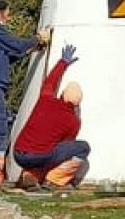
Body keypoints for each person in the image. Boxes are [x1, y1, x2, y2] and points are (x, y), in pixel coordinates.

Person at [0, 0, 47, 187]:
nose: (9, 15)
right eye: (7, 11)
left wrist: (33, 48)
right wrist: (38, 39)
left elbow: (11, 55)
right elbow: (16, 46)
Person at [13, 43, 90, 191]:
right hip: (40, 156)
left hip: (18, 153)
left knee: (43, 150)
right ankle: (54, 180)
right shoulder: (73, 122)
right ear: (77, 104)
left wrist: (63, 62)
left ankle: (30, 175)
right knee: (82, 147)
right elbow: (65, 145)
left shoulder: (45, 99)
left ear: (62, 94)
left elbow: (51, 81)